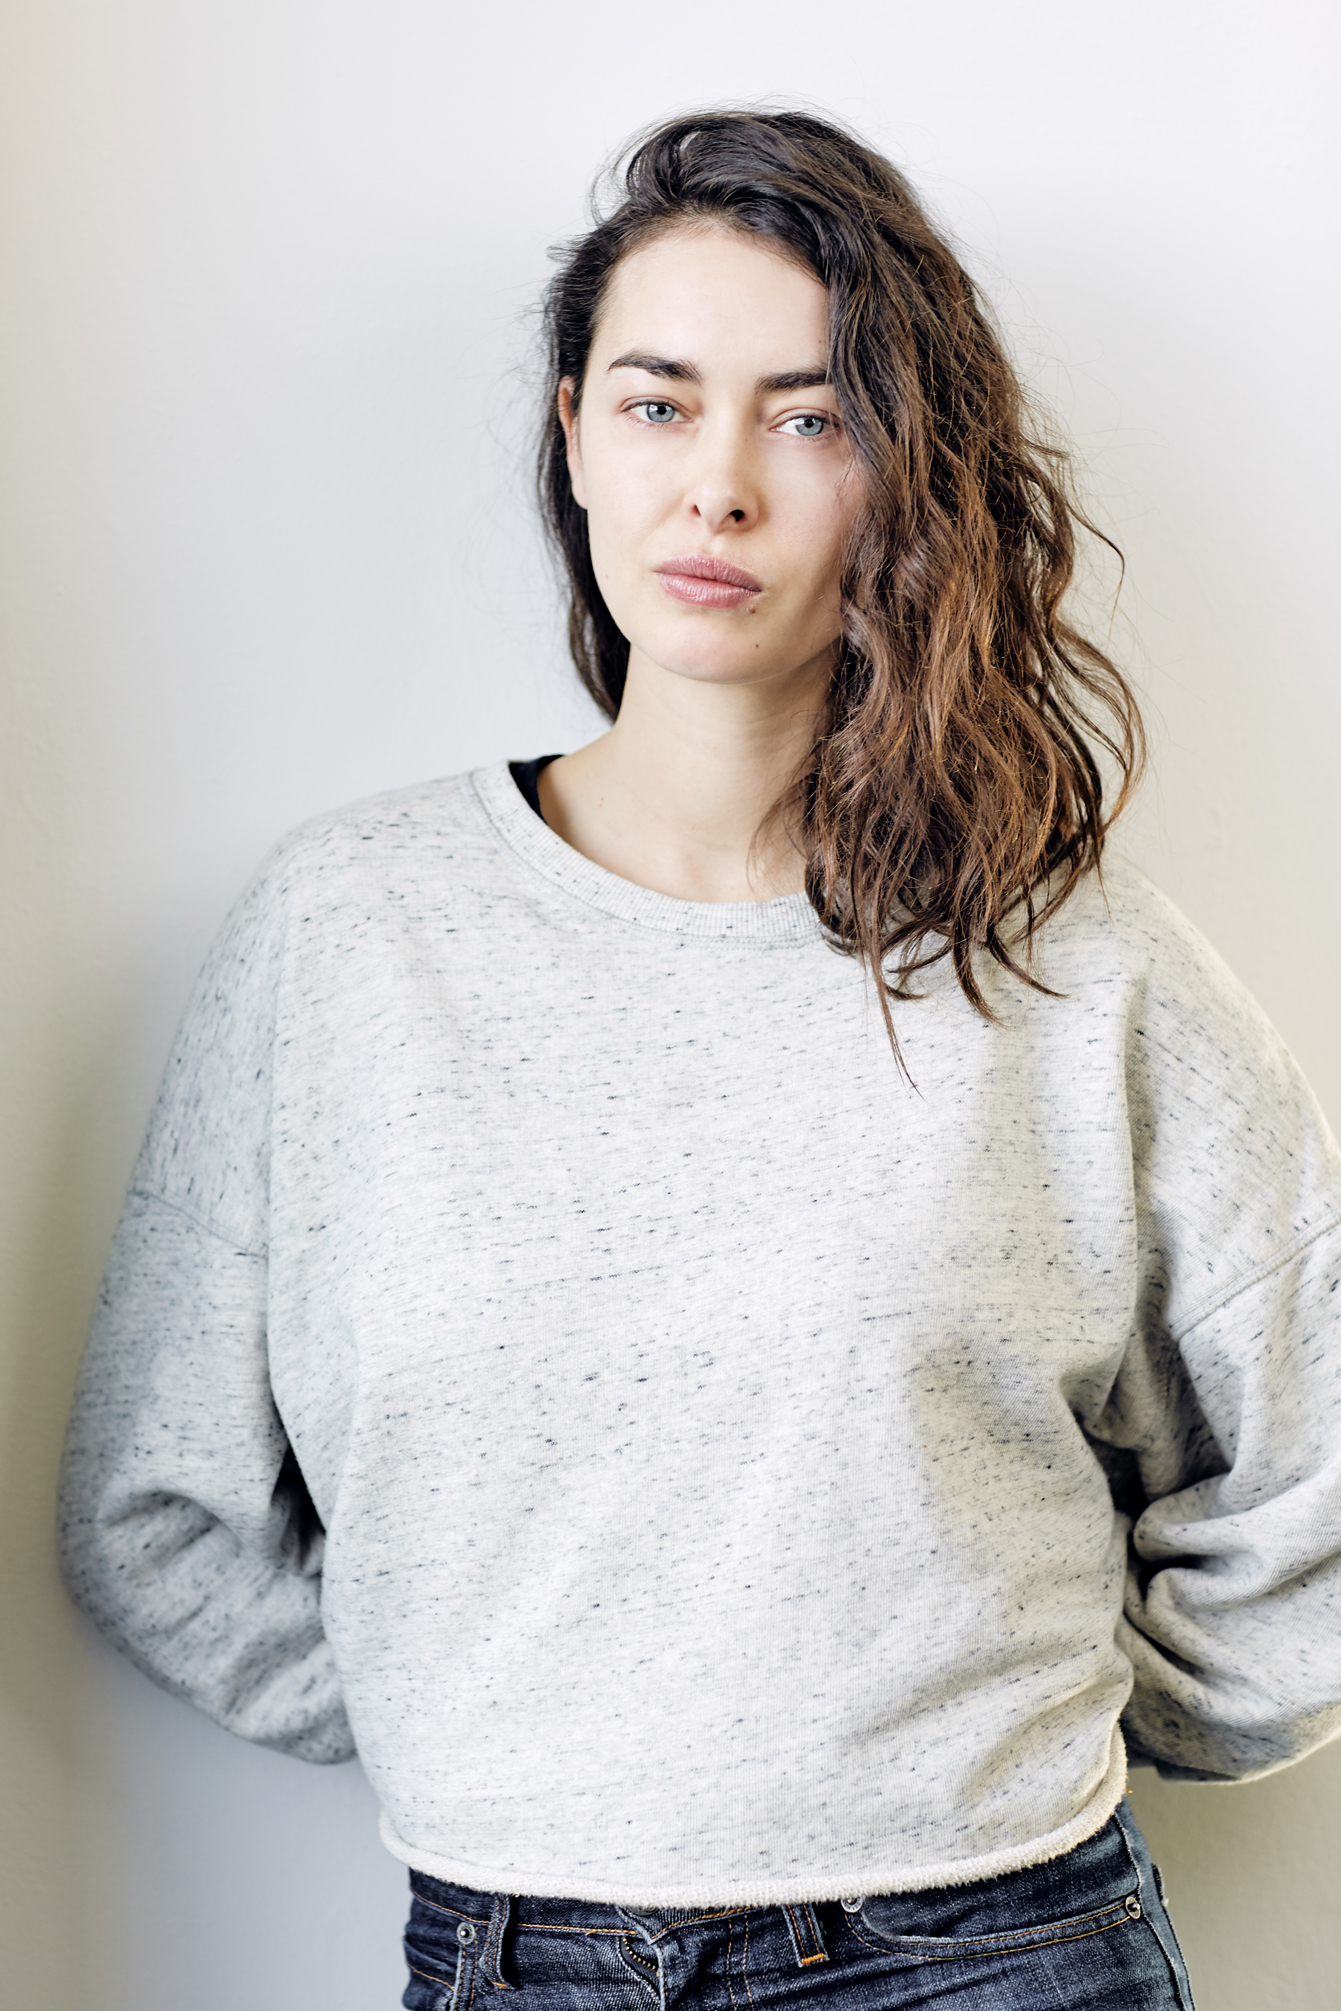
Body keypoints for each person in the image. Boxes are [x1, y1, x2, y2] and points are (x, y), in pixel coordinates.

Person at [58, 109, 1341, 2011]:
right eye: (659, 404)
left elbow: (1316, 1457)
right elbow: (152, 1508)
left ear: (899, 475)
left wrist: (1044, 1730)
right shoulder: (344, 935)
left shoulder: (1071, 960)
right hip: (514, 1951)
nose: (719, 487)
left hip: (995, 1948)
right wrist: (474, 1719)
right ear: (574, 434)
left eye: (810, 419)